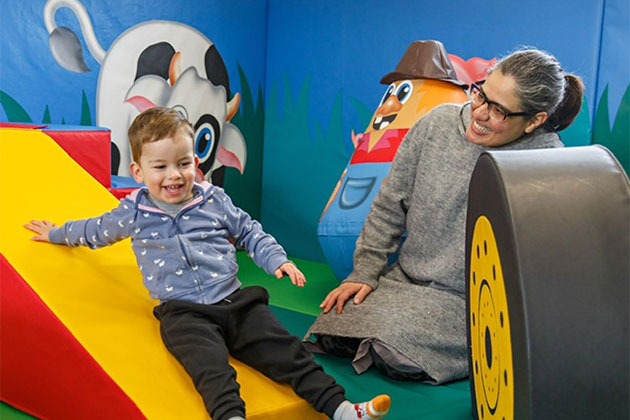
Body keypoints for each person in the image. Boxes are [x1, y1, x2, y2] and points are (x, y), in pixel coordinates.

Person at [24, 107, 391, 420]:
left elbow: (248, 231)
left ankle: (342, 409)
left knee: (288, 351)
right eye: (160, 166)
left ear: (195, 162)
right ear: (138, 172)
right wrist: (57, 233)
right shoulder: (134, 211)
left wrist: (277, 259)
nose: (174, 175)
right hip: (183, 312)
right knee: (210, 367)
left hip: (236, 301)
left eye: (183, 163)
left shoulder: (213, 199)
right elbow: (95, 230)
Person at [305, 48, 584, 384]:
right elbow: (389, 205)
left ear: (535, 120)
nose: (479, 113)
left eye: (498, 111)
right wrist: (363, 273)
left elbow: (545, 267)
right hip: (405, 281)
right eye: (481, 94)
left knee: (396, 346)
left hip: (472, 302)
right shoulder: (436, 124)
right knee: (333, 324)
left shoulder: (547, 162)